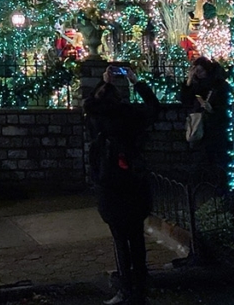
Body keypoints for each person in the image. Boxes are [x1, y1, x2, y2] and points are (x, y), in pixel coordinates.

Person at [84, 65, 159, 305]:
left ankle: (126, 289)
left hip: (110, 184)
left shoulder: (98, 118)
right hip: (133, 184)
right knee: (136, 238)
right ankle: (140, 289)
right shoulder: (130, 116)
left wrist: (104, 82)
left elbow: (89, 104)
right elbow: (153, 107)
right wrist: (137, 82)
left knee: (120, 240)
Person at [178, 56, 230, 184]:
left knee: (217, 158)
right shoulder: (197, 85)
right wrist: (188, 81)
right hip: (200, 126)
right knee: (203, 158)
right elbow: (185, 99)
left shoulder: (218, 86)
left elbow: (225, 106)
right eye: (196, 71)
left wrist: (212, 110)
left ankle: (219, 187)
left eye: (200, 71)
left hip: (215, 127)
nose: (198, 74)